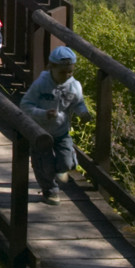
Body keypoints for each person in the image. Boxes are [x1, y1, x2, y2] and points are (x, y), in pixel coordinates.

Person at [20, 45, 92, 202]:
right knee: (44, 165)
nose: (67, 75)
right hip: (40, 132)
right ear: (51, 68)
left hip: (61, 131)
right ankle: (50, 190)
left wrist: (83, 113)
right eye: (62, 72)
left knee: (66, 162)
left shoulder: (74, 86)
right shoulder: (41, 84)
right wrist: (43, 114)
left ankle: (61, 168)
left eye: (70, 72)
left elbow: (78, 103)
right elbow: (25, 105)